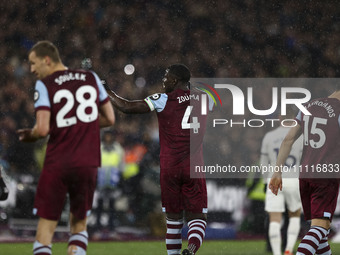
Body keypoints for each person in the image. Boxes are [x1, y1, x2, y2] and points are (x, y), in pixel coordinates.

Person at [16, 40, 115, 255]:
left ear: (47, 60)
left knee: (46, 226)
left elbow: (42, 130)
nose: (32, 69)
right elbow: (110, 118)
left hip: (58, 163)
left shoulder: (45, 84)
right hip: (87, 163)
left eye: (34, 63)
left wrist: (30, 136)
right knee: (79, 224)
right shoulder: (91, 78)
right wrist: (84, 122)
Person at [105, 64, 213, 255]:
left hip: (169, 167)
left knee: (173, 222)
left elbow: (127, 107)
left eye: (166, 77)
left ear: (174, 80)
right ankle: (192, 250)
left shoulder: (162, 99)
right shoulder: (204, 97)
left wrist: (106, 91)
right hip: (192, 166)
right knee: (198, 217)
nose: (163, 81)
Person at [270, 85, 340, 255]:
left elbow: (288, 139)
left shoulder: (309, 105)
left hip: (306, 175)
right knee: (320, 228)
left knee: (320, 235)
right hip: (326, 175)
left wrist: (277, 172)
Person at [262, 108, 303, 255]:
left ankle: (276, 252)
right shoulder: (300, 136)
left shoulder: (269, 136)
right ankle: (288, 249)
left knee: (275, 218)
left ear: (279, 118)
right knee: (294, 215)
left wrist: (266, 182)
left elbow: (263, 163)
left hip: (275, 178)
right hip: (294, 179)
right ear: (294, 118)